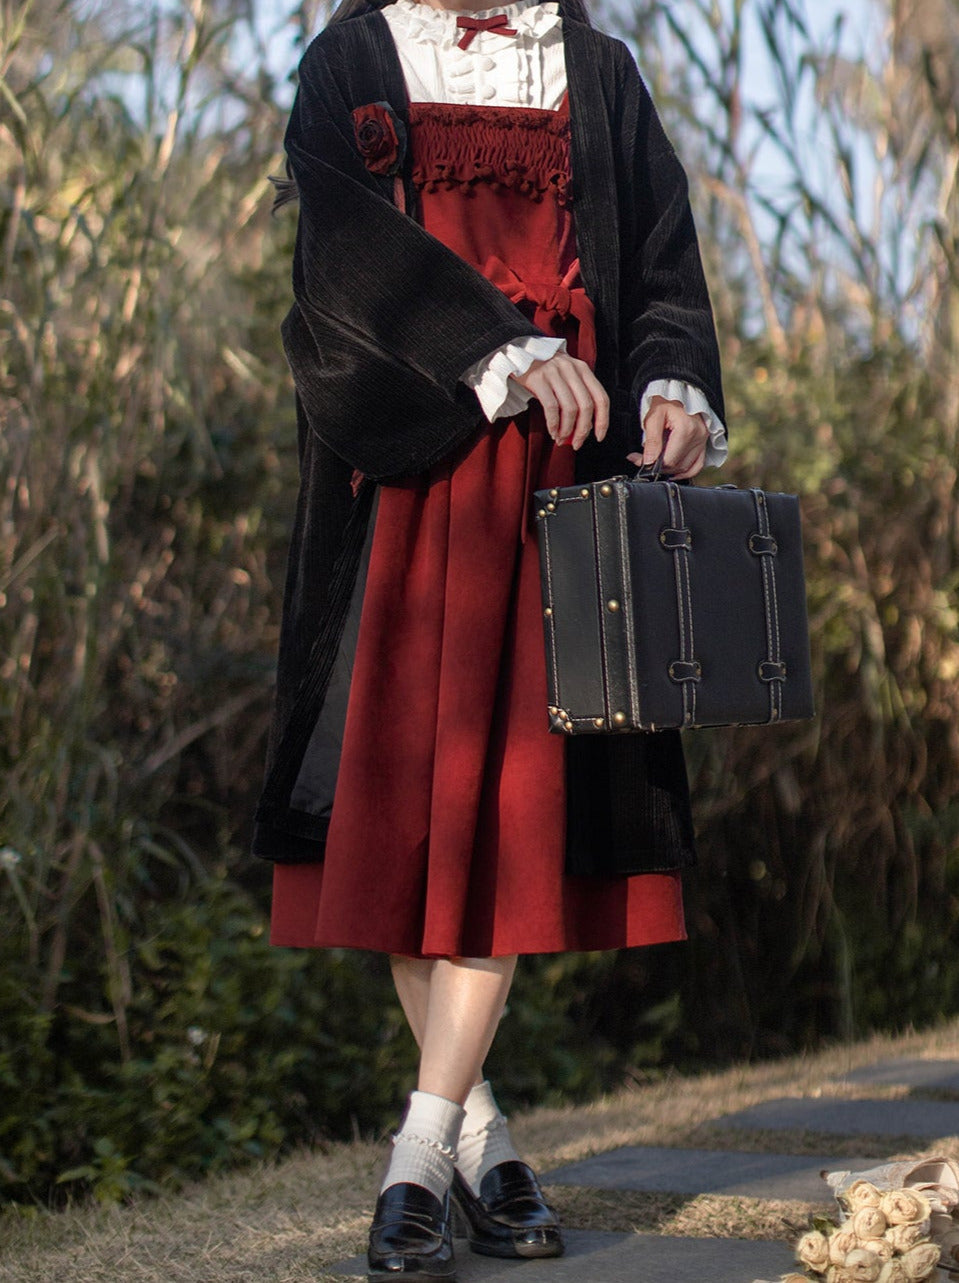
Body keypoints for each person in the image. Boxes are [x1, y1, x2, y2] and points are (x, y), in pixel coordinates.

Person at [253, 0, 726, 1277]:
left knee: (507, 817)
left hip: (560, 497)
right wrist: (499, 352)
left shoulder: (599, 68)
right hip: (407, 480)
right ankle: (483, 1140)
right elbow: (341, 265)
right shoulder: (352, 59)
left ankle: (417, 1155)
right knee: (413, 820)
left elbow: (664, 268)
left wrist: (672, 383)